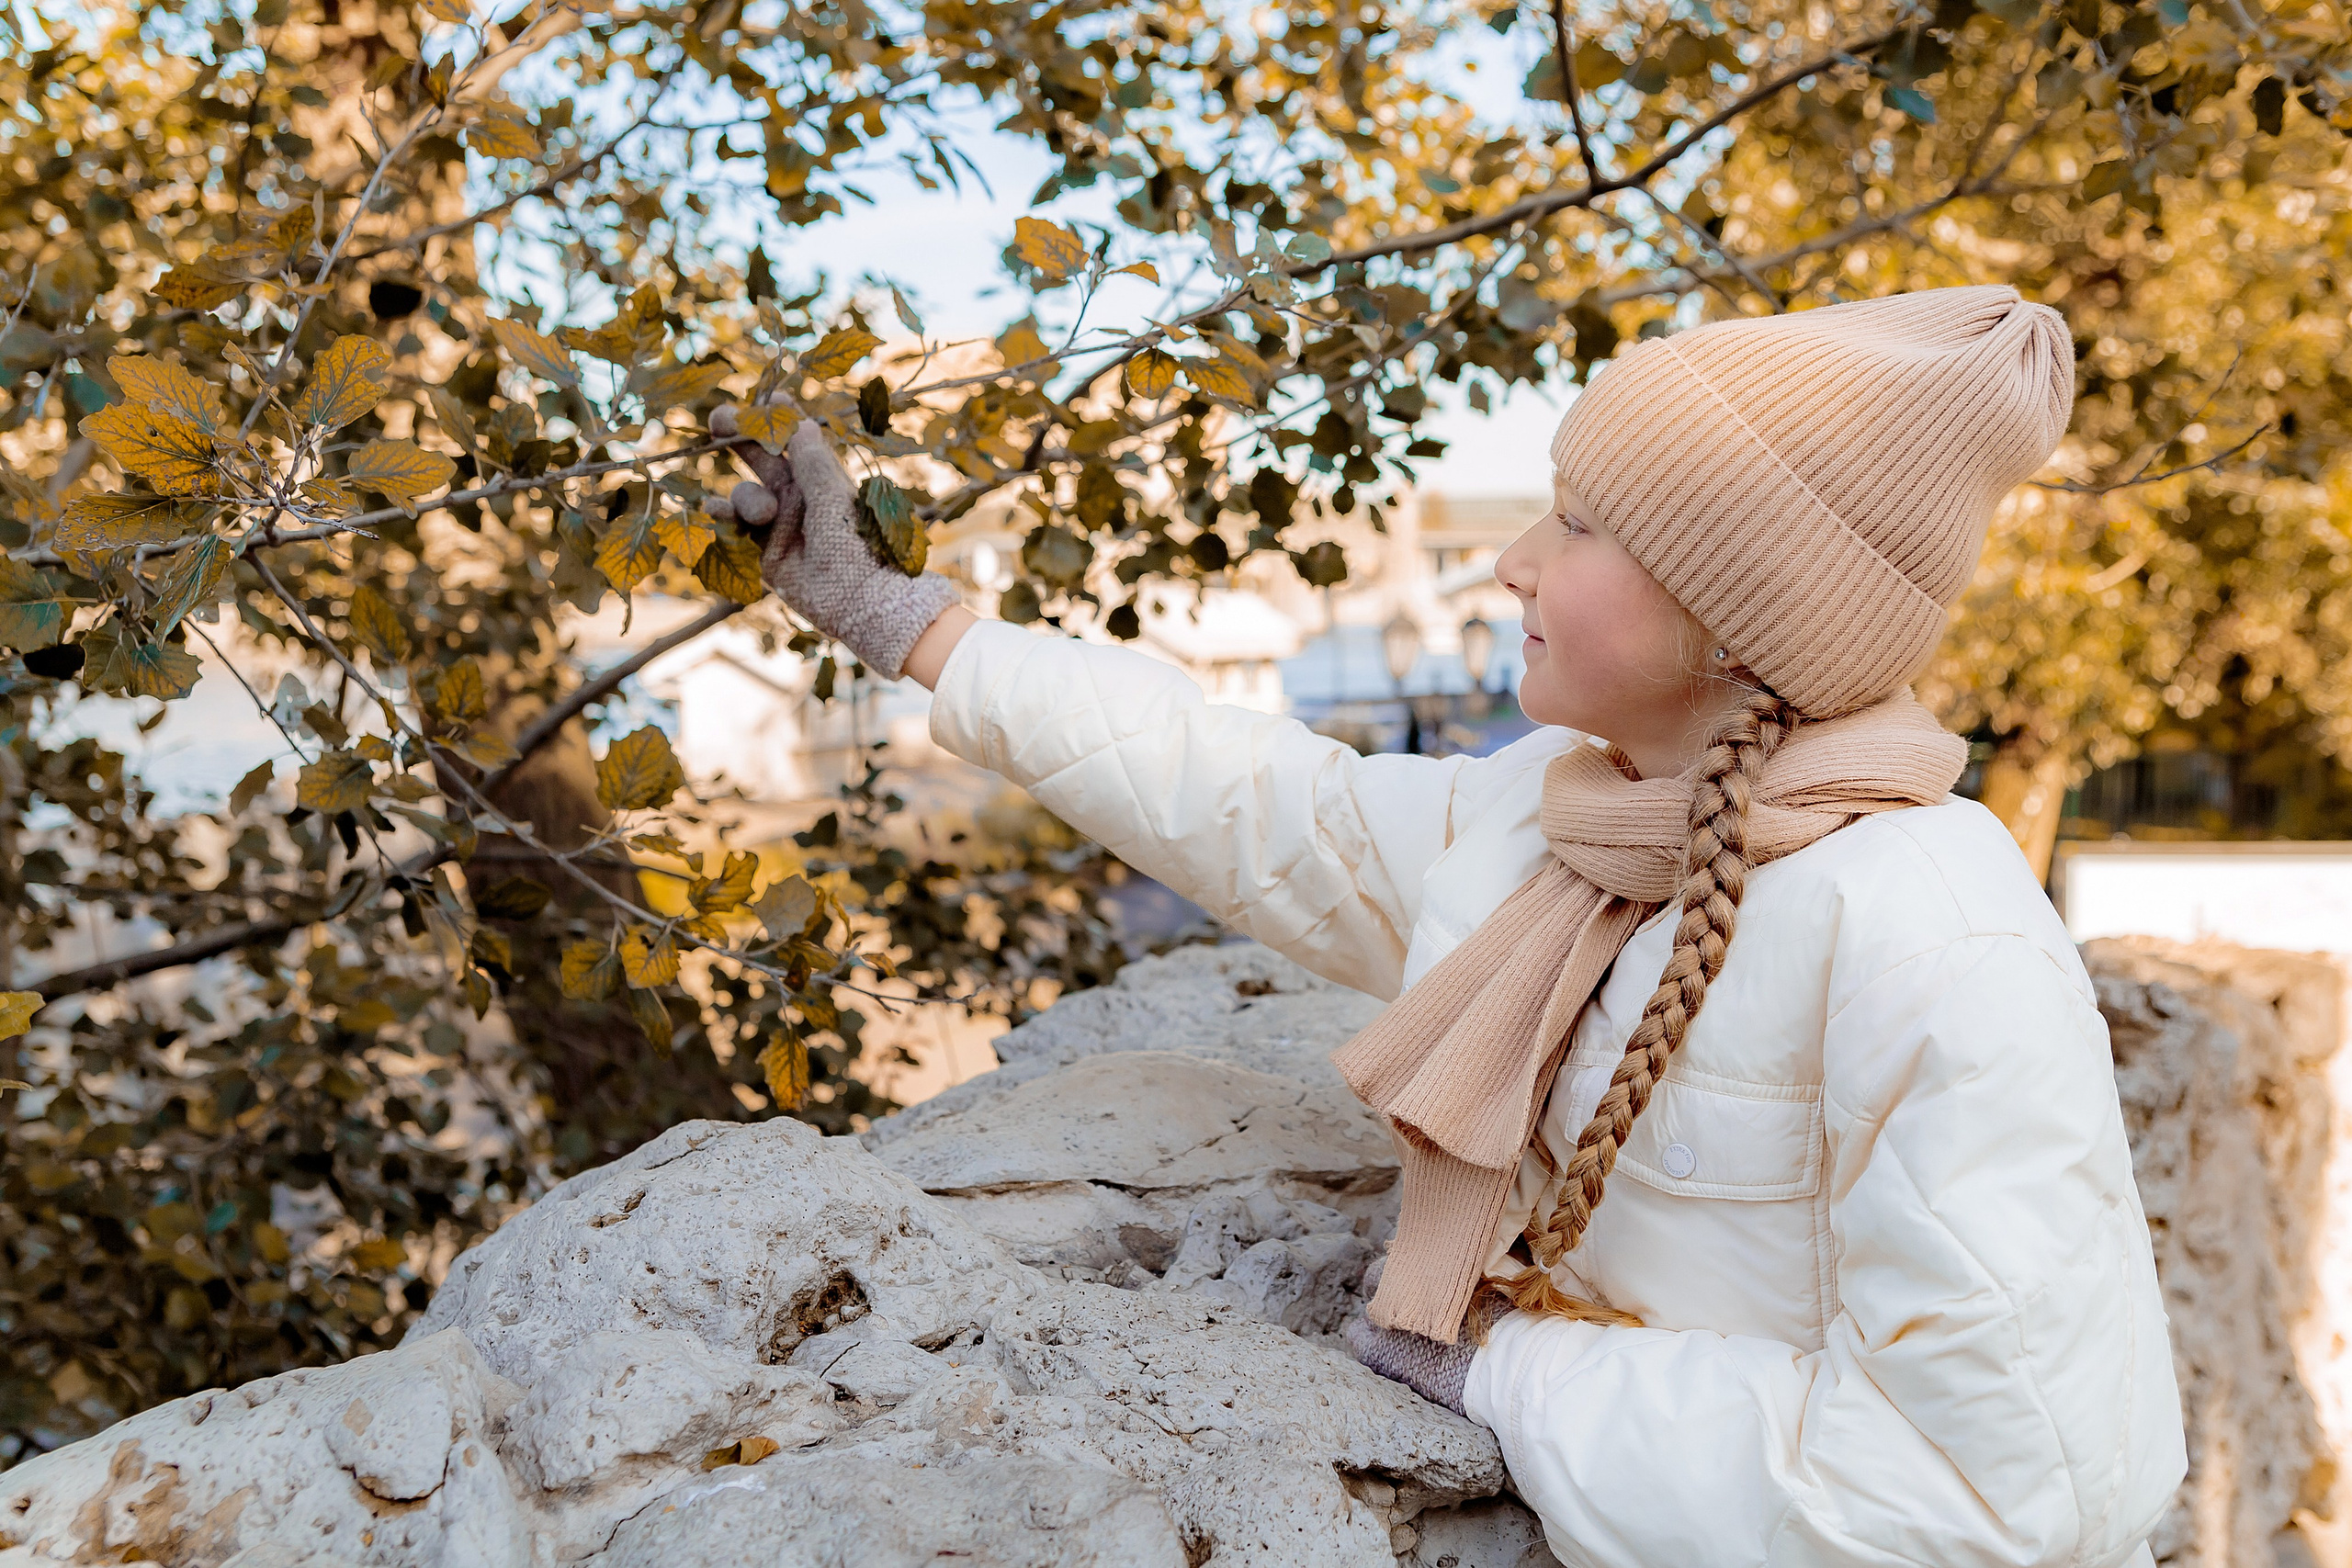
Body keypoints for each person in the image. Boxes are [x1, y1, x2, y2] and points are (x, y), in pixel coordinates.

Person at [724, 285, 2188, 1566]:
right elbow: (1245, 796)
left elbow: (2001, 1499)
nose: (1517, 562)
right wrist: (901, 621)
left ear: (1736, 614)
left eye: (1586, 524)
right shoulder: (1551, 827)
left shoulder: (1935, 935)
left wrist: (1504, 1372)